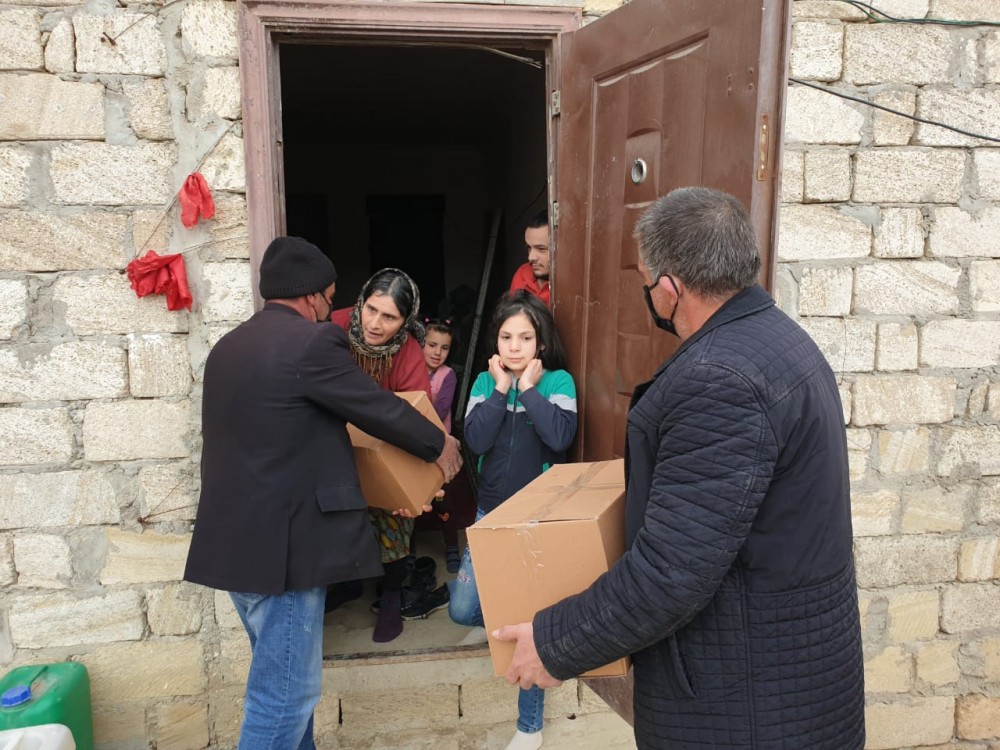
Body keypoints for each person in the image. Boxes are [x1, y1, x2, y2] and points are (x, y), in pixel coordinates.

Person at [494, 188, 865, 750]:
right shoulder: (781, 340)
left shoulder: (721, 380)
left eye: (647, 283)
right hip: (784, 686)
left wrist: (554, 642)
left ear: (669, 288)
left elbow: (671, 571)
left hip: (745, 707)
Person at [184, 236, 462, 750]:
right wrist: (438, 444)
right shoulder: (312, 344)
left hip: (236, 550)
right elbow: (373, 406)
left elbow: (284, 442)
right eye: (330, 296)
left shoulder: (228, 347)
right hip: (282, 555)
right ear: (313, 296)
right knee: (285, 697)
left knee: (284, 688)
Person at [449, 290, 577, 750]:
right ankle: (512, 623)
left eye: (526, 336)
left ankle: (529, 727)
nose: (516, 346)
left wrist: (528, 389)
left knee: (531, 622)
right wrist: (503, 388)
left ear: (540, 342)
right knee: (462, 609)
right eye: (507, 337)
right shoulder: (485, 386)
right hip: (490, 516)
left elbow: (560, 437)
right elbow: (476, 442)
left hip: (535, 523)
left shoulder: (558, 382)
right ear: (496, 342)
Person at [329, 268, 445, 641]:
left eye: (390, 317)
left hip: (388, 442)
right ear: (361, 302)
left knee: (396, 512)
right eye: (371, 310)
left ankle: (392, 592)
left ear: (405, 321)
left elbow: (414, 415)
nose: (375, 324)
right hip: (334, 437)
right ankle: (346, 582)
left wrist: (412, 482)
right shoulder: (332, 329)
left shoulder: (409, 352)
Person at [422, 318, 461, 572]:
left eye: (444, 348)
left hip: (439, 445)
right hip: (412, 443)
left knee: (443, 500)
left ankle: (451, 547)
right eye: (432, 345)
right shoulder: (410, 369)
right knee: (414, 499)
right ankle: (410, 553)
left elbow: (441, 409)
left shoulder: (448, 375)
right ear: (420, 344)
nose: (437, 353)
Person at [509, 211, 550, 306]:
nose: (530, 257)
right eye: (529, 248)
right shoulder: (522, 273)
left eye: (541, 249)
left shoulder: (572, 288)